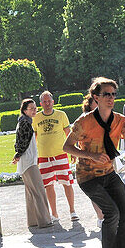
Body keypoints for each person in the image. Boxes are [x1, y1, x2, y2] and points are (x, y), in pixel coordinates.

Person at [64, 77, 125, 248]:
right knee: (112, 214)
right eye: (106, 94)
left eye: (113, 94)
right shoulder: (84, 122)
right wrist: (91, 155)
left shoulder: (120, 121)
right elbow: (66, 147)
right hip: (88, 176)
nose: (111, 98)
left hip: (109, 174)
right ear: (96, 97)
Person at [34, 91, 77, 222]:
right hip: (43, 156)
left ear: (53, 102)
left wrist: (73, 151)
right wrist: (34, 155)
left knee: (67, 183)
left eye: (49, 101)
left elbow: (68, 133)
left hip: (60, 154)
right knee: (48, 185)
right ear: (41, 104)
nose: (47, 104)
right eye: (44, 102)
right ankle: (54, 214)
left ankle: (72, 211)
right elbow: (34, 137)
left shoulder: (61, 115)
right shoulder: (36, 117)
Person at [12, 98, 53, 230]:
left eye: (35, 108)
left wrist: (17, 154)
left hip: (27, 161)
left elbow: (19, 142)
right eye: (32, 108)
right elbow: (22, 142)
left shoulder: (23, 122)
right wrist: (18, 154)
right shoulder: (25, 123)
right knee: (39, 191)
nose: (35, 110)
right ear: (25, 110)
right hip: (29, 161)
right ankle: (44, 220)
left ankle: (34, 221)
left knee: (31, 192)